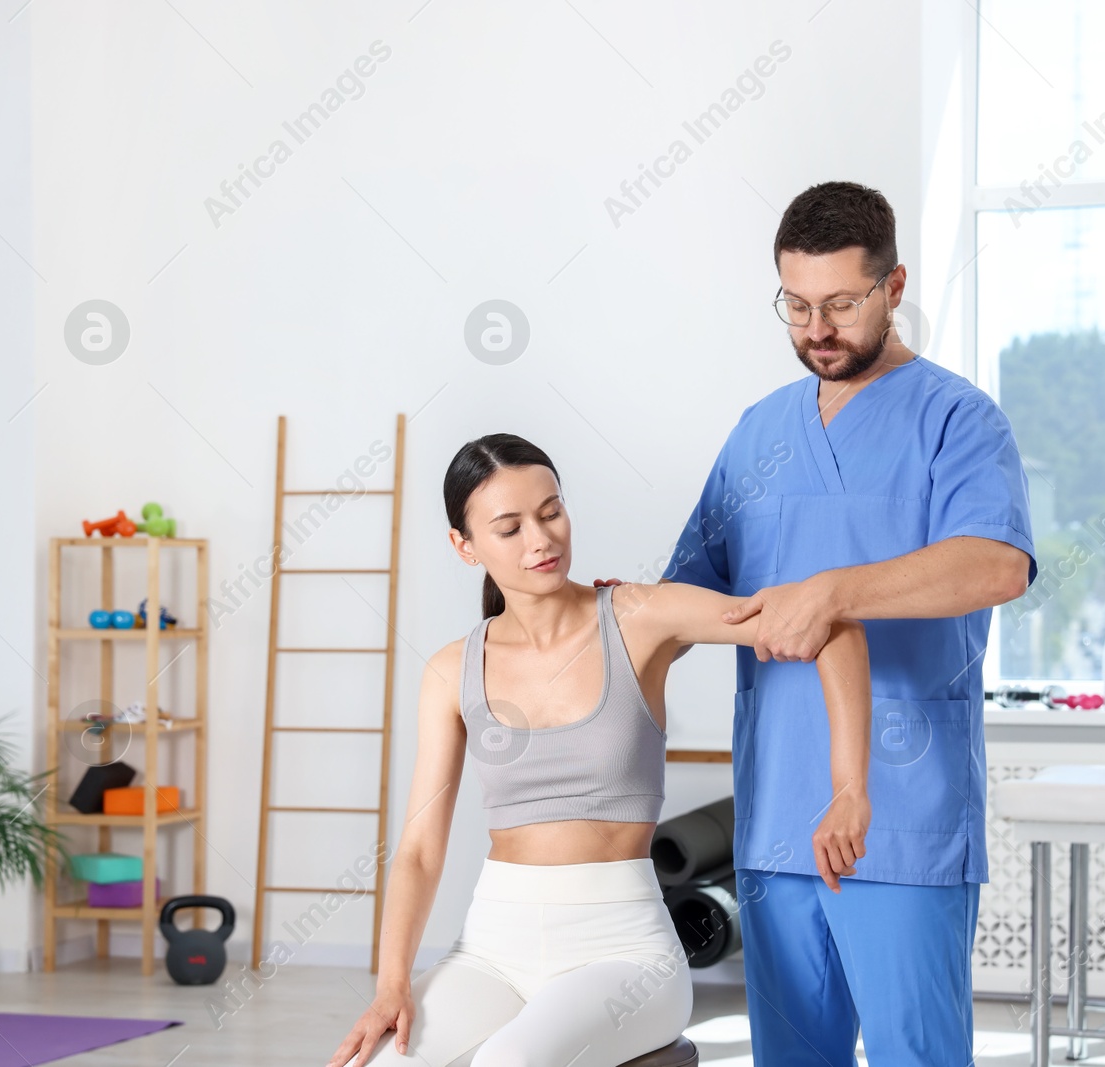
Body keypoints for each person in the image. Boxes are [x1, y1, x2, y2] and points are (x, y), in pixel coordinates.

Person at [326, 433, 872, 1067]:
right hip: (489, 952)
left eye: (551, 511)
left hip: (624, 954)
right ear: (464, 546)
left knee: (511, 1063)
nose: (541, 540)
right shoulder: (452, 669)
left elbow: (828, 626)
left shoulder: (639, 617)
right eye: (509, 528)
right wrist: (391, 986)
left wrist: (849, 786)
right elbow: (419, 850)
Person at [658, 181, 1038, 1066]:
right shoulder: (760, 433)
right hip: (777, 815)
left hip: (902, 810)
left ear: (894, 286)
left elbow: (997, 564)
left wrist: (835, 592)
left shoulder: (956, 418)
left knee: (918, 1055)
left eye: (840, 304)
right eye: (796, 305)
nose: (816, 328)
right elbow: (690, 593)